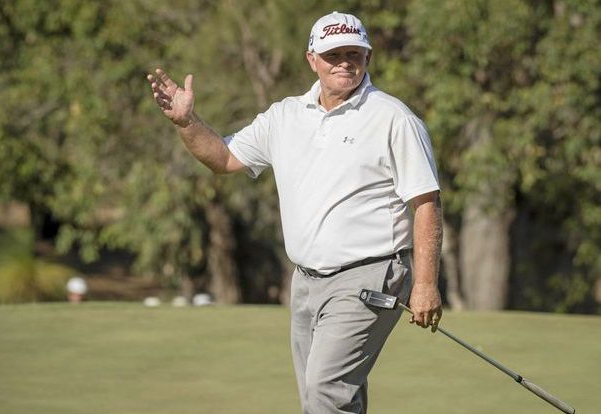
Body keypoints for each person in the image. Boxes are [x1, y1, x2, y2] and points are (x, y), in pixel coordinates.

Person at [147, 11, 443, 414]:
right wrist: (186, 122)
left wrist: (425, 283)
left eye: (354, 53)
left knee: (326, 390)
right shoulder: (283, 116)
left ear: (368, 57)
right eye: (333, 53)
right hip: (306, 281)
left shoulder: (393, 118)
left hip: (371, 275)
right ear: (312, 60)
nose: (344, 62)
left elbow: (425, 202)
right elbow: (224, 157)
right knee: (322, 395)